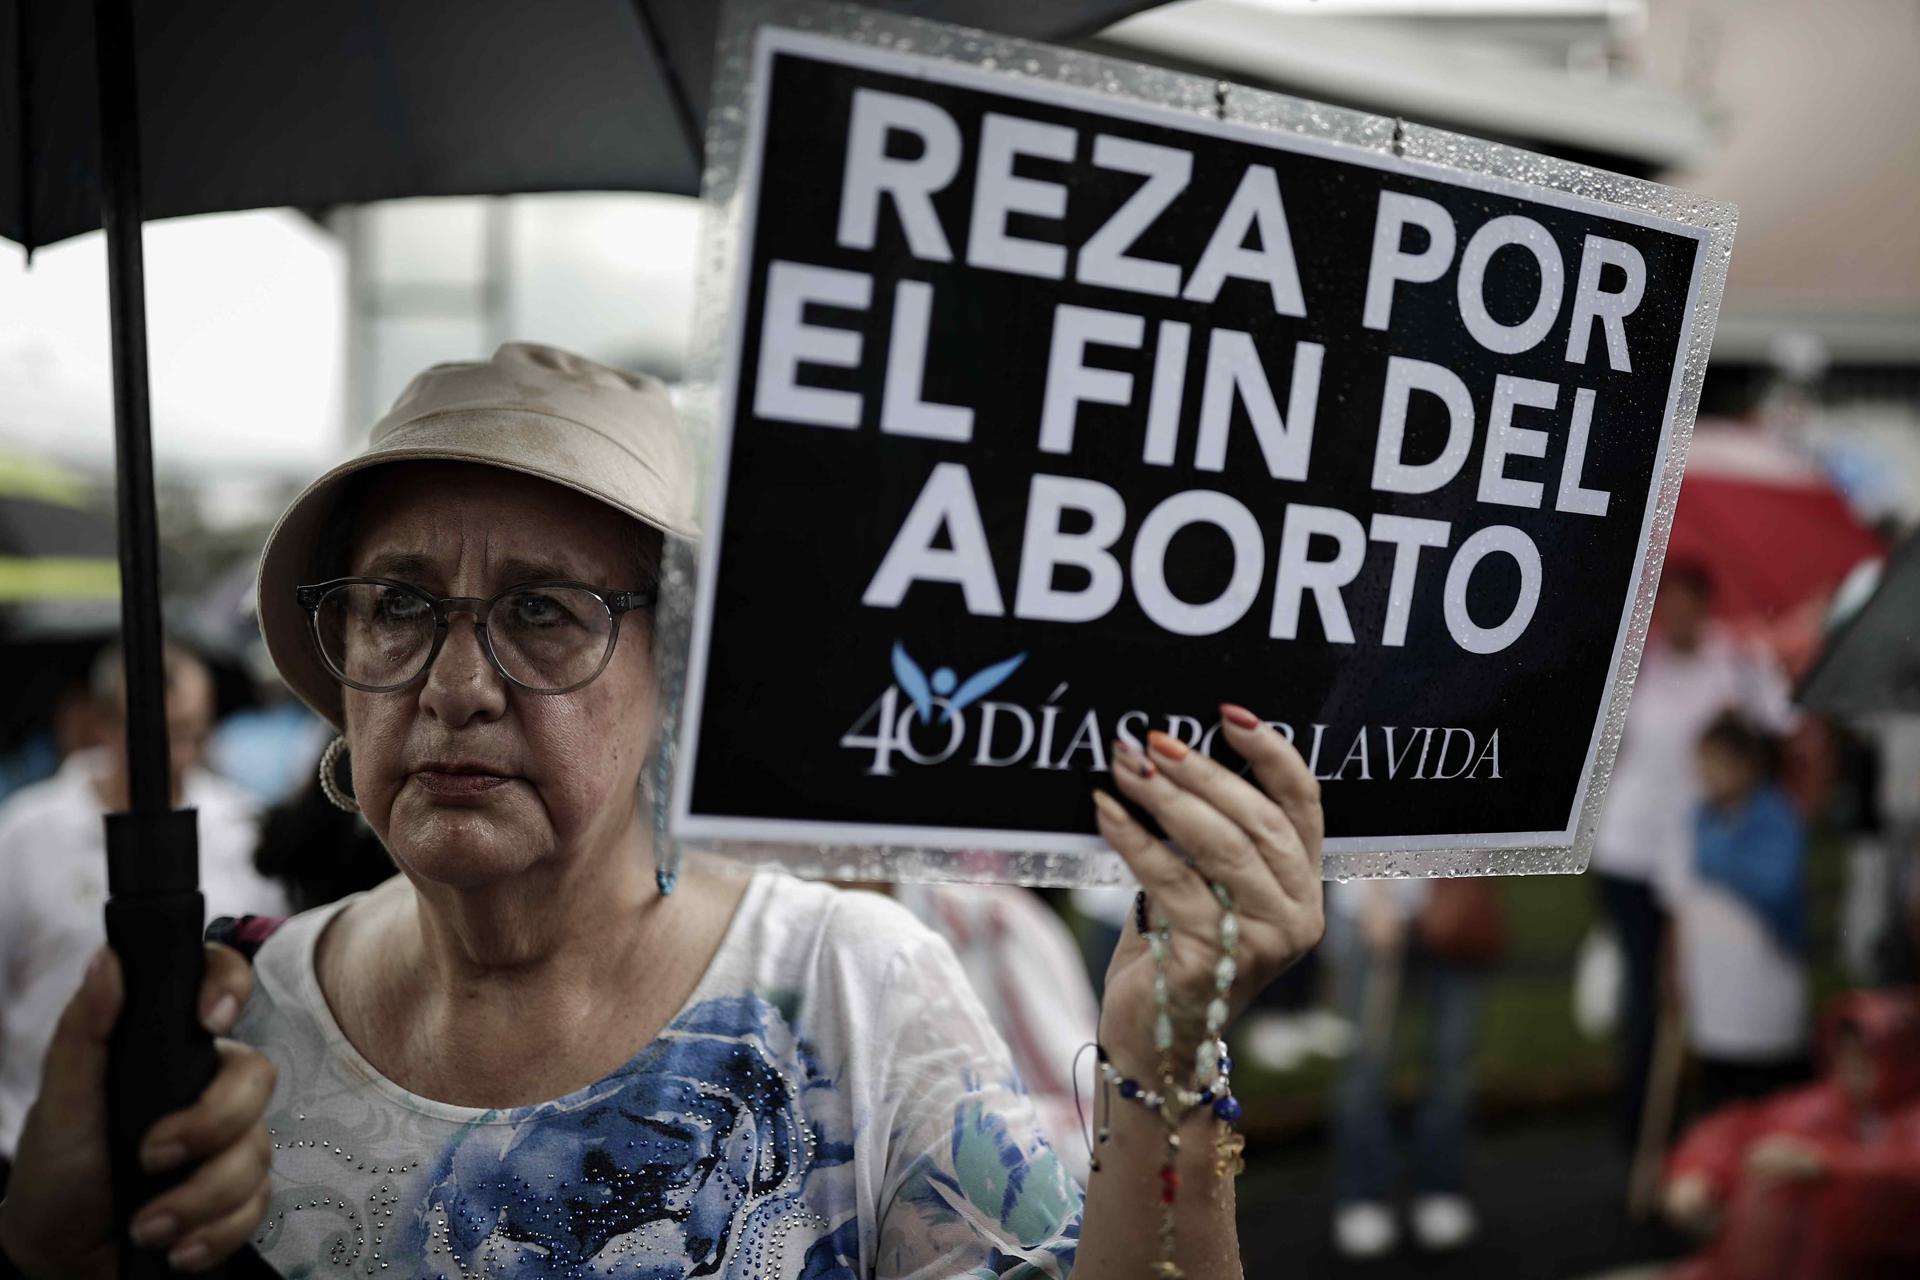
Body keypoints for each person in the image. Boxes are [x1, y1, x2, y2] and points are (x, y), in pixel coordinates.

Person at [0, 343, 1326, 1277]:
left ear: (677, 678)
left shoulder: (846, 988)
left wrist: (1165, 1054)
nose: (456, 685)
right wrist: (56, 1250)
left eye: (543, 611)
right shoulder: (229, 1040)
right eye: (398, 606)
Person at [0, 641, 286, 1187]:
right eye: (160, 733)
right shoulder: (26, 835)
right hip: (34, 1155)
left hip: (196, 1155)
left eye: (192, 733)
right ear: (103, 724)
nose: (177, 755)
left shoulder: (245, 829)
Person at [1591, 563, 1793, 1147]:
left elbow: (1782, 731)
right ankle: (1643, 1133)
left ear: (1705, 605)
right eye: (1666, 604)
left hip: (1705, 858)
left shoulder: (1736, 665)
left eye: (1687, 604)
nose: (1675, 616)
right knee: (1649, 999)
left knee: (1705, 996)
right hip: (1630, 853)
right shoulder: (1636, 666)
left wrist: (1744, 732)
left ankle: (1704, 1134)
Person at [1661, 989, 1920, 1280]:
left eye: (1867, 1058)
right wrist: (1697, 1171)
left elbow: (1903, 1173)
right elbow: (1738, 1125)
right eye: (1845, 1057)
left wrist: (1826, 1163)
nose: (1853, 1071)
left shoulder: (1909, 1118)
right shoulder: (1828, 1103)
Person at [1324, 879, 1491, 1260]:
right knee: (1367, 1059)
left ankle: (1439, 1183)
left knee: (1453, 1059)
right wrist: (1376, 892)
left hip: (1455, 893)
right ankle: (1363, 1191)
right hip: (1370, 906)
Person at [1674, 714, 1811, 1114]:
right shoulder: (1699, 819)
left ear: (1745, 764)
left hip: (1766, 988)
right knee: (1723, 1101)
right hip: (1715, 997)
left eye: (1714, 763)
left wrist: (1721, 857)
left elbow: (1777, 884)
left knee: (1771, 1100)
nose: (1704, 775)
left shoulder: (1778, 820)